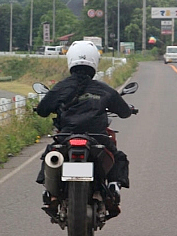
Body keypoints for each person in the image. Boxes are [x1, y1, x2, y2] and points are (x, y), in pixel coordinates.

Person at [35, 40, 134, 217]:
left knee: (50, 155)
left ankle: (51, 195)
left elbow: (42, 111)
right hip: (98, 138)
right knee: (118, 157)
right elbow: (125, 112)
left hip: (66, 137)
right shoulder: (103, 89)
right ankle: (113, 189)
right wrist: (128, 109)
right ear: (95, 61)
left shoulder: (61, 87)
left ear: (70, 61)